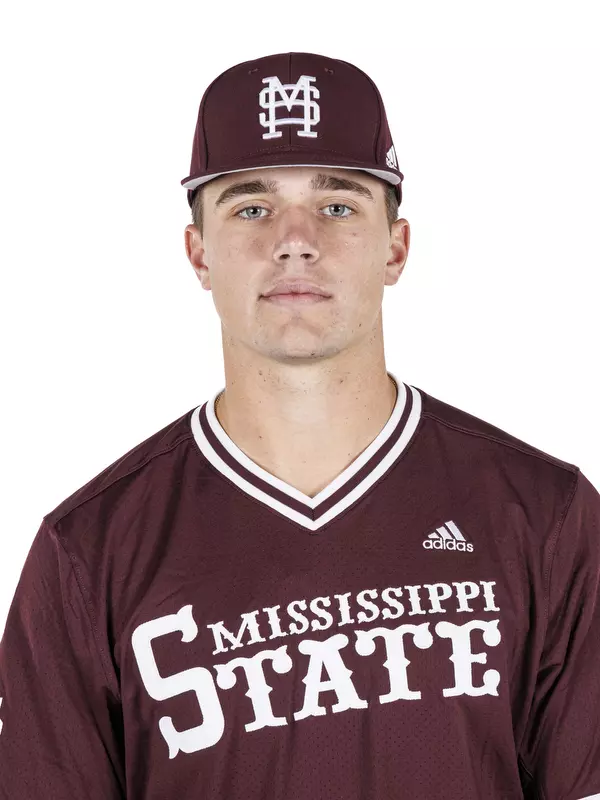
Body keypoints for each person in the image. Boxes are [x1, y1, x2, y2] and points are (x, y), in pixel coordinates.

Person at [0, 50, 598, 800]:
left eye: (338, 205)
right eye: (251, 208)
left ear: (397, 247)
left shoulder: (547, 516)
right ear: (198, 254)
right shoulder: (86, 556)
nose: (295, 239)